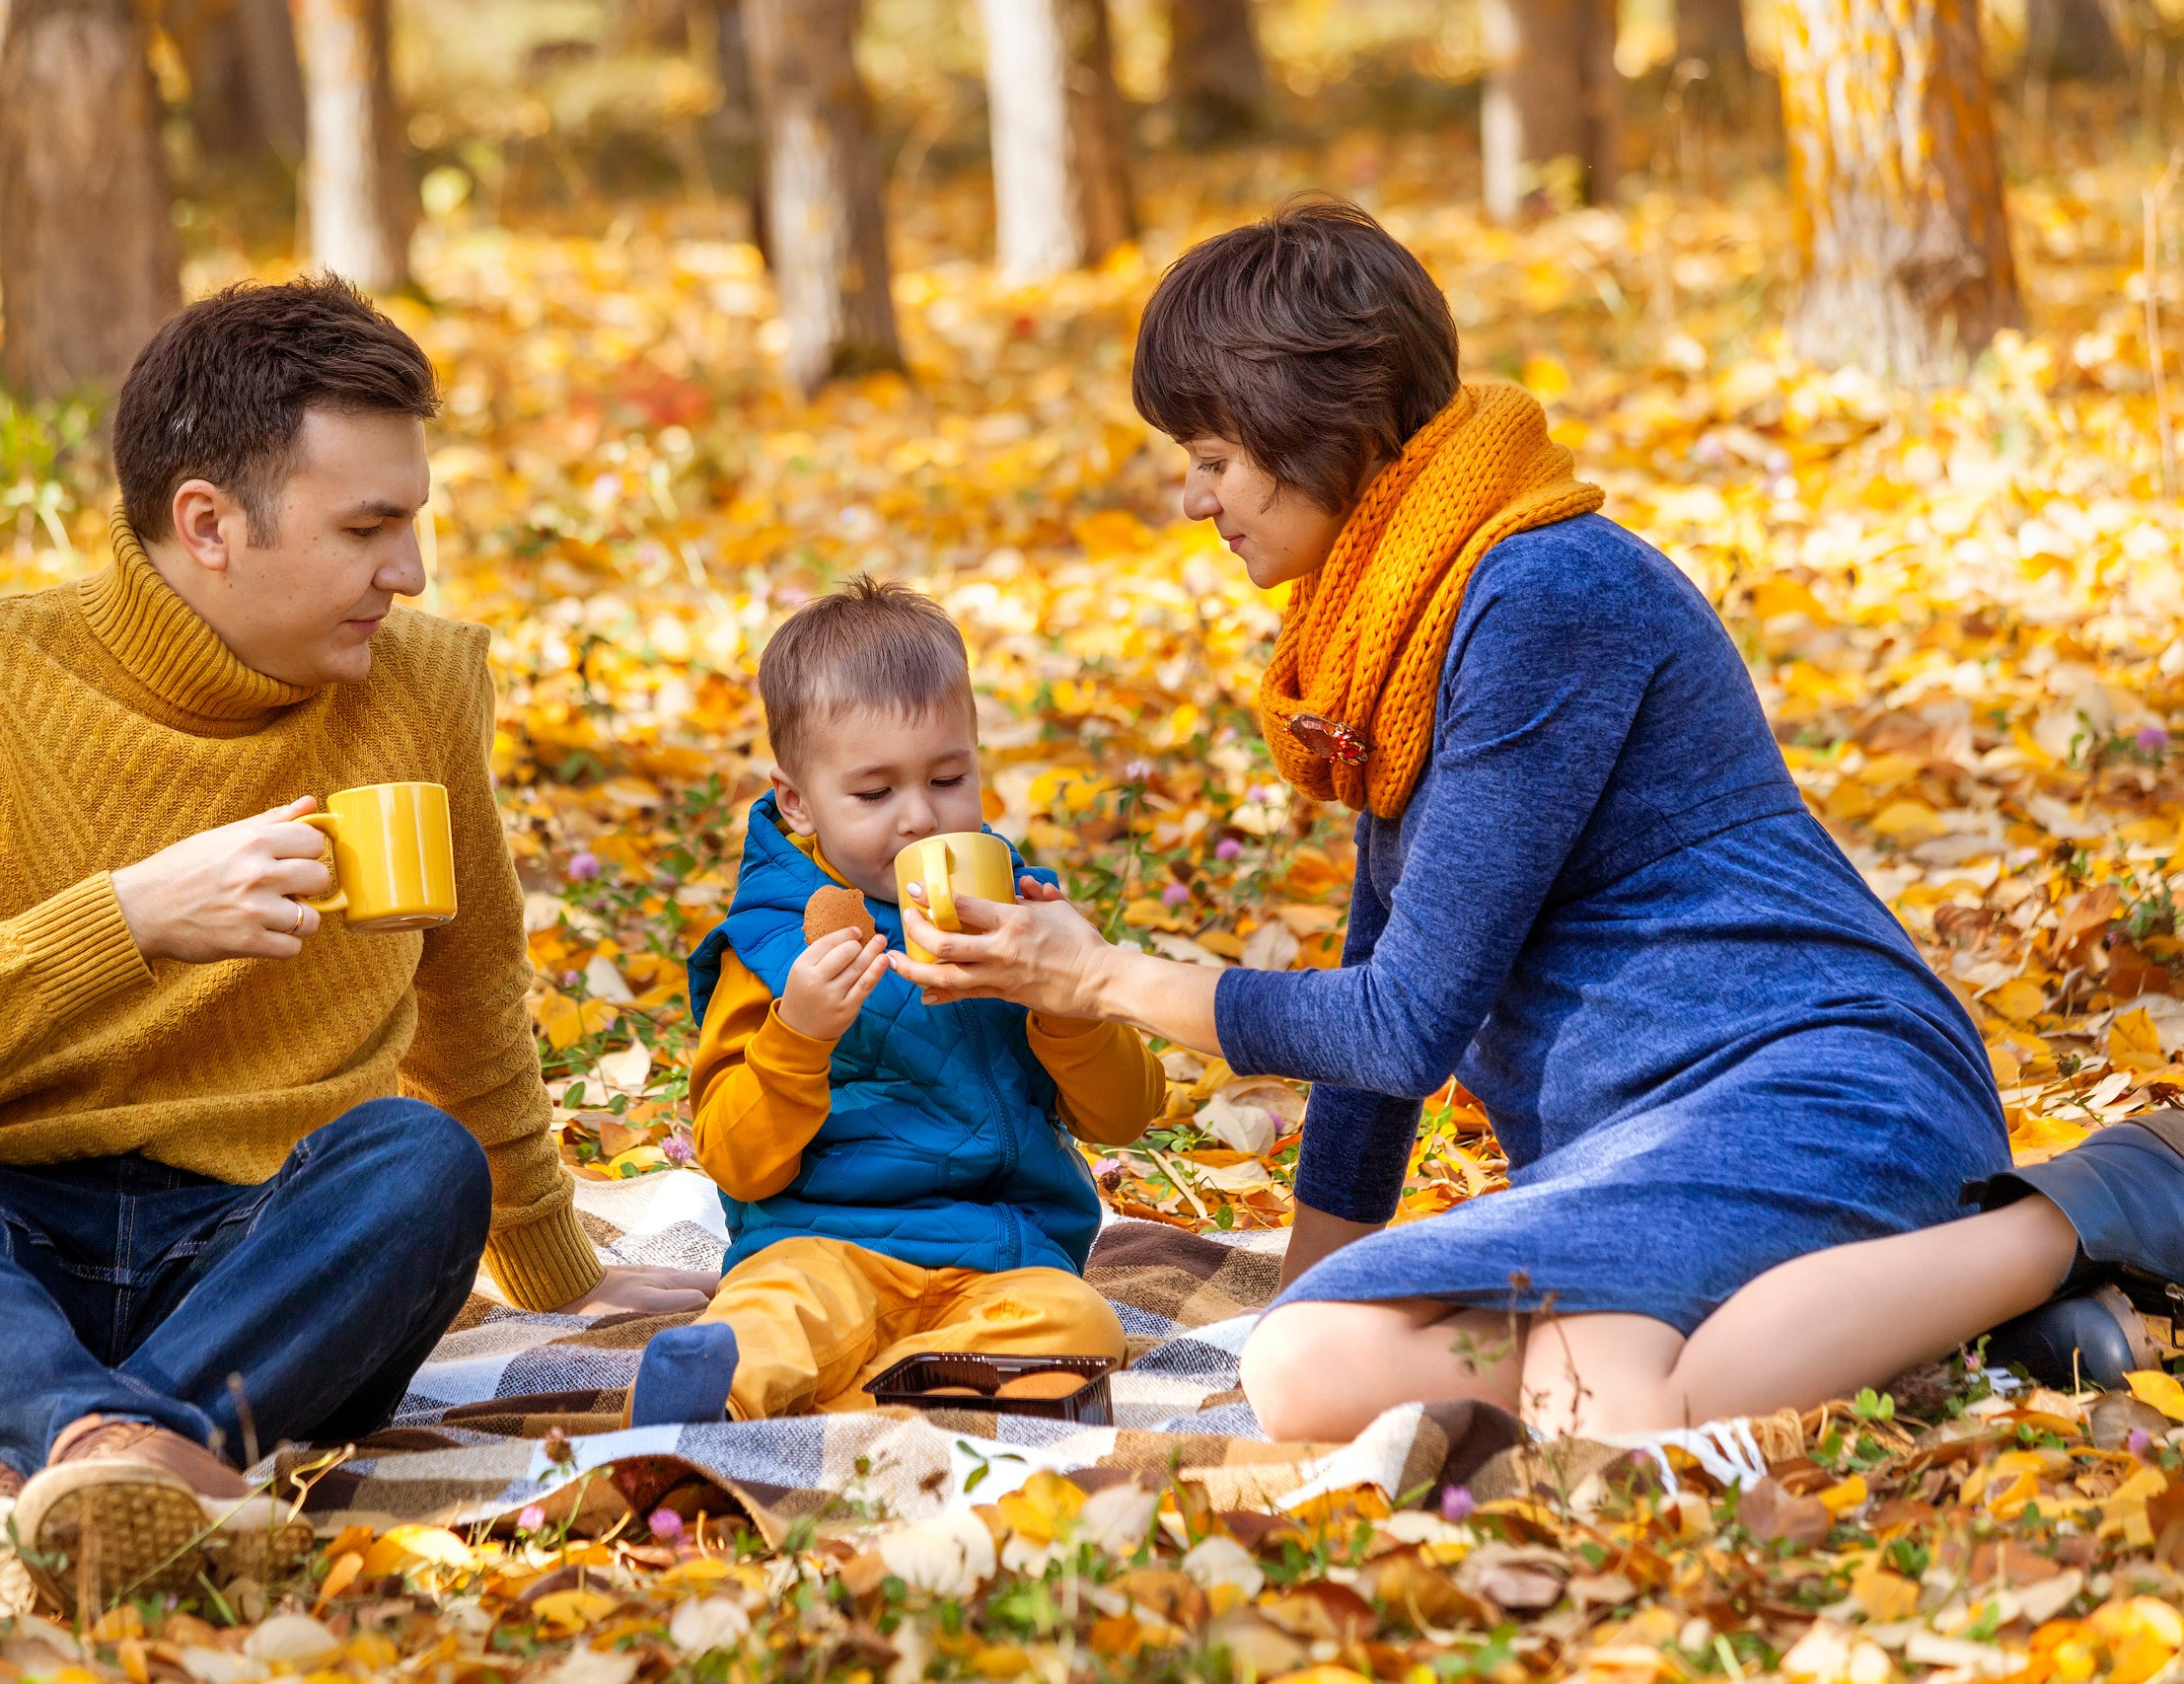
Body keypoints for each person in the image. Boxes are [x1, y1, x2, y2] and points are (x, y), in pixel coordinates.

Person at [886, 199, 2184, 1444]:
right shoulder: (1395, 630)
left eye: (1213, 458)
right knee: (1315, 1361)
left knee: (1638, 1401)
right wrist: (1312, 1288)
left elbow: (1399, 1024)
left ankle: (2076, 1212)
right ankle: (1978, 1330)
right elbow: (1380, 1008)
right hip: (1641, 1158)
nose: (1192, 498)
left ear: (1317, 427)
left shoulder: (1543, 596)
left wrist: (1101, 977)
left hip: (1813, 1091)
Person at [0, 277, 711, 1613]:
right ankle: (145, 1453)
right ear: (207, 523)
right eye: (367, 528)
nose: (409, 572)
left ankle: (32, 1458)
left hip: (267, 1265)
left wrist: (561, 1270)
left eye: (412, 522)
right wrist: (127, 921)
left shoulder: (422, 683)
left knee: (418, 1160)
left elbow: (470, 991)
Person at [623, 579, 1165, 1424]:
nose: (920, 817)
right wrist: (797, 1034)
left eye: (949, 777)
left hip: (1003, 1254)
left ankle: (874, 1392)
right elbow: (736, 1160)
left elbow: (1126, 1116)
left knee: (1080, 1323)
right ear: (797, 801)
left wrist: (1071, 998)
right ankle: (713, 1396)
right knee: (773, 1314)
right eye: (875, 794)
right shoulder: (769, 947)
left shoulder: (1021, 920)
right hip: (821, 1243)